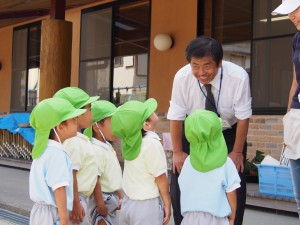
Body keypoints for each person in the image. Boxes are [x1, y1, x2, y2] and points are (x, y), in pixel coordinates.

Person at [167, 36, 252, 225]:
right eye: (195, 65)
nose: (201, 72)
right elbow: (176, 116)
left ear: (219, 63)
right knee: (180, 181)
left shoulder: (238, 77)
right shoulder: (182, 77)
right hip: (194, 133)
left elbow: (243, 116)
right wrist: (178, 152)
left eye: (207, 65)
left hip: (228, 132)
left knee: (233, 180)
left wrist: (237, 152)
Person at [111, 99, 171, 225]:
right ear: (146, 124)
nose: (154, 111)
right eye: (150, 112)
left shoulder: (129, 143)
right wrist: (167, 202)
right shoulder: (152, 144)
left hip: (128, 202)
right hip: (147, 206)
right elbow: (160, 177)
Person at [29, 98, 86, 225]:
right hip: (52, 213)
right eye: (73, 120)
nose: (77, 123)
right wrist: (64, 219)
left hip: (40, 212)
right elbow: (59, 188)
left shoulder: (44, 150)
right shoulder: (57, 153)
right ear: (60, 127)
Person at [179, 110, 241, 225]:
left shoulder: (188, 162)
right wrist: (232, 218)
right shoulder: (226, 163)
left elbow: (183, 185)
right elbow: (231, 193)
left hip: (189, 218)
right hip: (216, 219)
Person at [53, 87, 100, 225]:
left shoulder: (79, 138)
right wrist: (75, 203)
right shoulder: (73, 142)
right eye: (89, 109)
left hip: (80, 198)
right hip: (76, 198)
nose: (92, 113)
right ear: (76, 114)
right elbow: (72, 174)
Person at [272, 0, 300, 219]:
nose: (292, 17)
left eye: (296, 10)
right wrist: (288, 119)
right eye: (288, 13)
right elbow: (294, 81)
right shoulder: (297, 39)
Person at [83, 100, 123, 225]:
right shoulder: (95, 149)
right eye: (112, 122)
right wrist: (100, 205)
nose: (116, 127)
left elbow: (110, 176)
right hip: (102, 199)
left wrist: (120, 195)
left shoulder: (106, 145)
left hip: (110, 198)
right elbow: (96, 179)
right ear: (96, 127)